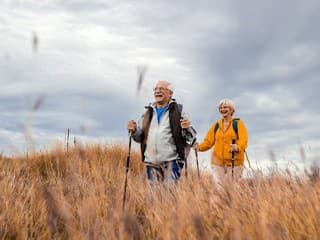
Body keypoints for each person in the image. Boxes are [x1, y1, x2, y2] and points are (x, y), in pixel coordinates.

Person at [127, 80, 196, 182]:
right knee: (155, 197)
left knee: (168, 194)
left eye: (161, 89)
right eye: (155, 89)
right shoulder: (148, 112)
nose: (157, 91)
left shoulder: (178, 111)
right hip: (151, 162)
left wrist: (187, 128)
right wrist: (133, 130)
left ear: (170, 93)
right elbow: (139, 137)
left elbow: (191, 137)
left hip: (172, 162)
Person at [193, 98, 248, 183]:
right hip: (217, 162)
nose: (222, 109)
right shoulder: (216, 125)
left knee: (231, 188)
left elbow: (244, 140)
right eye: (220, 108)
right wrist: (199, 147)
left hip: (235, 162)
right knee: (219, 188)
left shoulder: (238, 124)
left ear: (232, 109)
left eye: (225, 107)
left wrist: (237, 147)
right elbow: (208, 142)